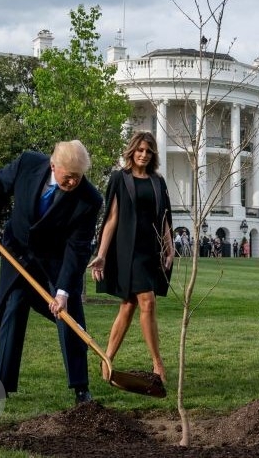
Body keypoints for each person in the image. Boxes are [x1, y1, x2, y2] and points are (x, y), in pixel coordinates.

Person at [0, 140, 102, 404]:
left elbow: (77, 248)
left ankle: (81, 388)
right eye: (68, 178)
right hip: (17, 252)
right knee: (13, 306)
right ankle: (1, 387)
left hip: (56, 262)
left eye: (78, 178)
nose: (73, 183)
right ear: (53, 166)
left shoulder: (90, 199)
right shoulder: (27, 163)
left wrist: (63, 291)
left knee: (68, 318)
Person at [87, 131, 174, 384]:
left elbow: (165, 219)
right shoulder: (119, 179)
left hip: (151, 250)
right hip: (129, 250)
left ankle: (107, 358)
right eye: (140, 150)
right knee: (147, 301)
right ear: (132, 151)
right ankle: (158, 363)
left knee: (129, 305)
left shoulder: (158, 182)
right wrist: (101, 254)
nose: (144, 155)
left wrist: (169, 248)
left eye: (148, 151)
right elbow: (112, 218)